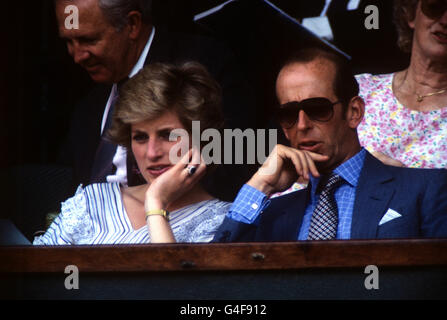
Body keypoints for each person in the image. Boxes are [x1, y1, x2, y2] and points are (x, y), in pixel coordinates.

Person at [213, 47, 447, 242]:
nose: (302, 125)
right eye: (289, 114)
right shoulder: (270, 210)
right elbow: (216, 280)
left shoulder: (426, 188)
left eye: (317, 109)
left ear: (354, 112)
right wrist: (260, 185)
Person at [54, 0, 255, 201]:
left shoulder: (204, 68)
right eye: (69, 42)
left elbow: (234, 162)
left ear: (132, 24)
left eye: (89, 40)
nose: (77, 56)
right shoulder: (90, 102)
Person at [34, 62, 231, 245]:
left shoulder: (222, 222)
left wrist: (155, 203)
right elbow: (40, 278)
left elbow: (171, 283)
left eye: (168, 135)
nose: (152, 153)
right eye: (140, 138)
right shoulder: (93, 201)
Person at [356, 0, 447, 168]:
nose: (445, 21)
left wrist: (404, 183)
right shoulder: (359, 90)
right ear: (411, 15)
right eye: (434, 7)